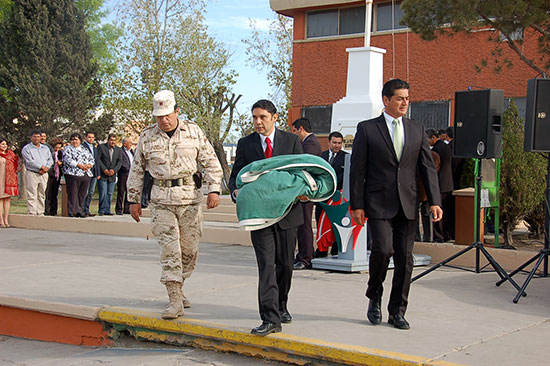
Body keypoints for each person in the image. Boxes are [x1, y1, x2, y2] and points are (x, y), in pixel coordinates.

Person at [350, 79, 442, 330]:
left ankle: (397, 311)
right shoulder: (368, 129)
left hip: (408, 203)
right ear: (386, 100)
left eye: (407, 98)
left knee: (405, 259)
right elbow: (357, 170)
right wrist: (356, 204)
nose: (405, 102)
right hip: (378, 202)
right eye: (400, 98)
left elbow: (426, 167)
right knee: (382, 250)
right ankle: (375, 294)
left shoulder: (416, 128)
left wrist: (435, 201)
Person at [127, 90, 222, 320]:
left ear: (177, 111)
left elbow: (210, 161)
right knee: (170, 251)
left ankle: (179, 288)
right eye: (159, 116)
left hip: (190, 199)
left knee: (189, 251)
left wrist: (214, 189)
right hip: (161, 201)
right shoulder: (147, 136)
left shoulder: (193, 131)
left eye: (167, 115)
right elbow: (137, 169)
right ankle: (174, 300)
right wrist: (133, 199)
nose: (163, 120)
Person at [228, 99, 303, 336]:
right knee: (266, 266)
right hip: (260, 217)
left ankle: (281, 305)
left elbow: (301, 172)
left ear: (274, 117)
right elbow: (235, 176)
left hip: (288, 214)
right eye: (254, 117)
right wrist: (236, 191)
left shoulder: (291, 141)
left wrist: (303, 192)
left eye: (262, 117)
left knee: (285, 265)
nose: (258, 122)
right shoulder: (246, 144)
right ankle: (270, 318)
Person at [290, 117, 322, 270]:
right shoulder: (308, 143)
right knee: (301, 225)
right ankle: (303, 255)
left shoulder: (310, 144)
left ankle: (306, 258)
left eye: (294, 131)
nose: (294, 134)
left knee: (304, 225)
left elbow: (304, 166)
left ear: (301, 129)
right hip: (302, 191)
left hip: (306, 191)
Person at [315, 131, 349, 257]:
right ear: (329, 142)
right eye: (334, 142)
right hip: (322, 198)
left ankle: (336, 249)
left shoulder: (346, 158)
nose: (337, 145)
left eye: (339, 143)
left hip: (337, 199)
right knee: (320, 223)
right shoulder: (321, 156)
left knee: (336, 225)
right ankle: (321, 250)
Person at [427, 129, 453, 242]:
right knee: (447, 212)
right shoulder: (446, 146)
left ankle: (439, 235)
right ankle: (445, 234)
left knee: (438, 212)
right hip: (448, 182)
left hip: (440, 183)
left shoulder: (437, 149)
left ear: (433, 137)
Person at [21, 130, 53, 215]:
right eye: (34, 137)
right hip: (32, 173)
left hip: (44, 174)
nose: (36, 138)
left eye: (38, 137)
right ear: (31, 137)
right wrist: (41, 167)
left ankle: (40, 212)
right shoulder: (27, 148)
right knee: (32, 193)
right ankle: (32, 212)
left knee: (41, 193)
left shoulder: (45, 148)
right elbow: (30, 161)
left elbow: (50, 159)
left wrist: (47, 168)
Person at [63, 133, 94, 217]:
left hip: (85, 173)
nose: (74, 141)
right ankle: (71, 211)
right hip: (73, 174)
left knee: (82, 194)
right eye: (72, 139)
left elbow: (91, 159)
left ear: (80, 140)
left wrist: (88, 165)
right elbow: (67, 159)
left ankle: (79, 210)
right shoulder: (68, 149)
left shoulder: (84, 149)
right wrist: (79, 165)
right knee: (73, 193)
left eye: (76, 139)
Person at [97, 134, 122, 215]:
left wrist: (114, 171)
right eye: (111, 140)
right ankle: (101, 210)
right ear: (108, 140)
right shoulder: (101, 147)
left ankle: (107, 210)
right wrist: (104, 170)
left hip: (112, 175)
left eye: (114, 140)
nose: (113, 142)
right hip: (103, 174)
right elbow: (98, 159)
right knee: (103, 193)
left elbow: (119, 162)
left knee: (110, 193)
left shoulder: (118, 150)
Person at [0, 137, 19, 227]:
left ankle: (6, 219)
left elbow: (15, 165)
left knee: (7, 199)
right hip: (1, 179)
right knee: (0, 199)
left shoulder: (10, 154)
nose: (4, 146)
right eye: (2, 144)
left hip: (9, 180)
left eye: (5, 144)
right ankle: (1, 221)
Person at [82, 132, 101, 217]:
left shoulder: (94, 147)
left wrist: (98, 173)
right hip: (86, 172)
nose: (91, 139)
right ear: (85, 138)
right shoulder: (83, 147)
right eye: (89, 137)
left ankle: (87, 209)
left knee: (91, 192)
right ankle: (82, 210)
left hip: (94, 173)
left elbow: (96, 161)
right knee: (85, 192)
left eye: (92, 137)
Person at [44, 138, 64, 216]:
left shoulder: (60, 153)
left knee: (54, 193)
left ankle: (54, 210)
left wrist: (60, 163)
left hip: (57, 174)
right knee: (48, 193)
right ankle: (47, 210)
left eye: (59, 147)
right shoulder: (50, 153)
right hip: (50, 173)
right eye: (56, 147)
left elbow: (63, 162)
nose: (57, 149)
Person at [116, 137, 134, 215]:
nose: (131, 145)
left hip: (131, 174)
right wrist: (127, 169)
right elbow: (121, 162)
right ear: (125, 144)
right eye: (130, 143)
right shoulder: (120, 151)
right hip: (123, 174)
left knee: (129, 192)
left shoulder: (131, 152)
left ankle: (126, 208)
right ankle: (119, 209)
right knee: (121, 192)